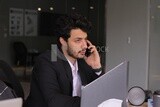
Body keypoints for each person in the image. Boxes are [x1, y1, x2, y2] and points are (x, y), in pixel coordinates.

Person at [25, 13, 102, 107]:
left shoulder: (83, 59)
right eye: (78, 40)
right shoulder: (46, 61)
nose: (85, 46)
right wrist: (89, 102)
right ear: (63, 41)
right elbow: (54, 100)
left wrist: (96, 67)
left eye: (85, 39)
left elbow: (99, 90)